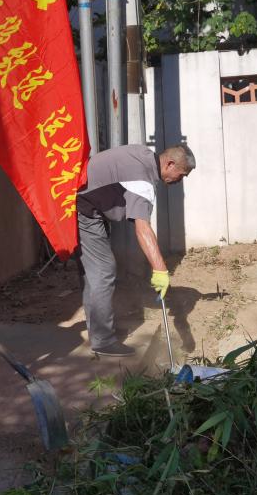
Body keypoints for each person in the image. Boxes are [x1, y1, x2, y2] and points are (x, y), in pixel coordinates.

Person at [76, 143, 196, 356]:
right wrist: (160, 270)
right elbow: (142, 229)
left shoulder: (144, 156)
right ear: (169, 164)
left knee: (95, 272)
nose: (180, 180)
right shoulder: (142, 181)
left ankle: (100, 330)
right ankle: (102, 341)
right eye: (182, 174)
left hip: (83, 201)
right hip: (83, 208)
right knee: (103, 271)